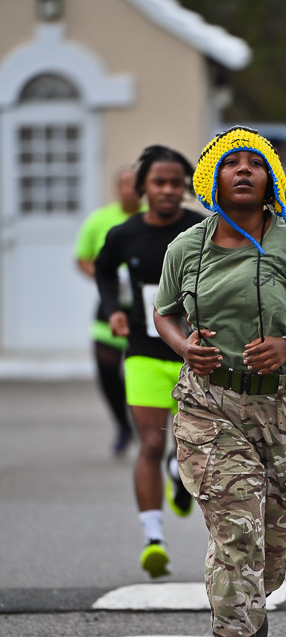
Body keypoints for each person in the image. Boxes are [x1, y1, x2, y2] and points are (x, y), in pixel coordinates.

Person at [153, 126, 286, 637]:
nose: (241, 171)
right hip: (210, 405)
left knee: (274, 540)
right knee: (236, 528)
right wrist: (185, 346)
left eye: (253, 164)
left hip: (285, 408)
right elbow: (163, 314)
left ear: (270, 181)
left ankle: (249, 603)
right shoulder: (186, 247)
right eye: (229, 163)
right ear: (212, 177)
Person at [95, 145, 204, 578]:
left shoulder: (201, 230)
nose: (167, 190)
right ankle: (153, 540)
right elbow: (104, 271)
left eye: (176, 183)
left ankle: (180, 475)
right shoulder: (124, 234)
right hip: (142, 351)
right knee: (152, 443)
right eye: (159, 182)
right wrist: (113, 309)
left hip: (195, 353)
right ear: (142, 188)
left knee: (191, 442)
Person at [75, 166, 143, 456]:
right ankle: (123, 425)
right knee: (107, 374)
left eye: (134, 184)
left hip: (146, 309)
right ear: (116, 188)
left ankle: (151, 428)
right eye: (123, 184)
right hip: (110, 306)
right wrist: (105, 277)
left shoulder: (154, 217)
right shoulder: (100, 219)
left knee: (142, 371)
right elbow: (83, 258)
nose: (128, 190)